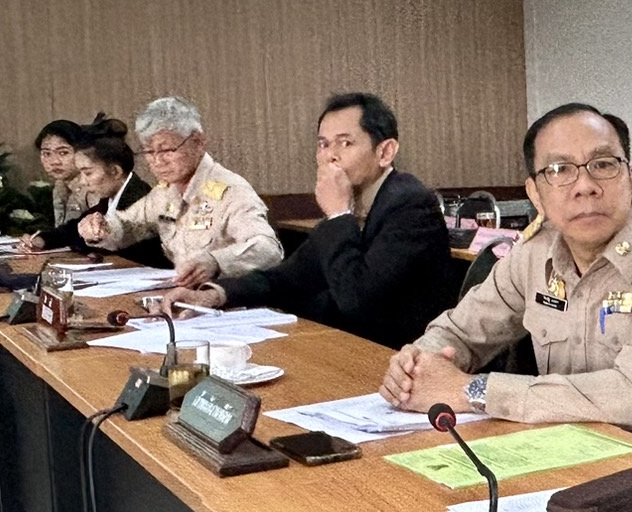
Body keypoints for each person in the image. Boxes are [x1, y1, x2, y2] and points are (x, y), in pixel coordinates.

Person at [379, 103, 632, 461]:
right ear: (535, 194)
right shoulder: (535, 252)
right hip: (560, 460)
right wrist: (417, 366)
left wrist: (473, 390)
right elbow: (460, 331)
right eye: (560, 170)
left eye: (604, 165)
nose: (586, 186)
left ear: (631, 177)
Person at [160, 94, 455, 348]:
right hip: (342, 343)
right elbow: (288, 277)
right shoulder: (351, 199)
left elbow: (359, 302)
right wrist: (215, 296)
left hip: (391, 352)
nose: (330, 157)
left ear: (385, 152)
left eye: (345, 143)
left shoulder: (409, 204)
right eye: (323, 145)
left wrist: (338, 214)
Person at [77, 96, 283, 287]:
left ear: (198, 141)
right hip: (185, 299)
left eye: (166, 150)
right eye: (149, 151)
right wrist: (101, 227)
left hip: (234, 302)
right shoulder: (165, 192)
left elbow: (268, 249)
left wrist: (216, 262)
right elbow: (130, 225)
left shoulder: (230, 190)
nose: (157, 161)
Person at [19, 117, 165, 266]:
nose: (82, 181)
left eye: (88, 173)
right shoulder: (108, 199)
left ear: (115, 171)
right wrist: (43, 239)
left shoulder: (139, 199)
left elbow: (131, 253)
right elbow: (73, 229)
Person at [33, 119, 91, 227]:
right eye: (47, 153)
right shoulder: (59, 186)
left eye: (63, 153)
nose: (55, 161)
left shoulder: (92, 188)